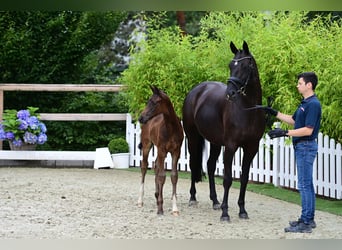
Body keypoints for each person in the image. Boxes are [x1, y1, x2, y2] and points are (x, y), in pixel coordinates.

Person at [264, 72, 322, 233]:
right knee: (306, 184)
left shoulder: (313, 104)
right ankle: (307, 220)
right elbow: (294, 120)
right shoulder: (305, 103)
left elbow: (308, 130)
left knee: (304, 185)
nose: (298, 85)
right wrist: (273, 112)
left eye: (300, 83)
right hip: (302, 147)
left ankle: (306, 221)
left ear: (309, 85)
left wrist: (284, 133)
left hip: (306, 146)